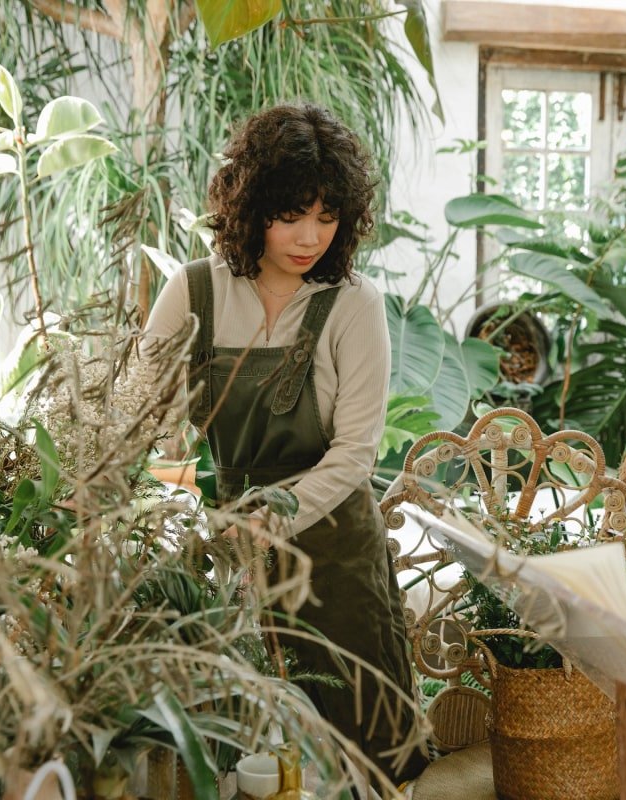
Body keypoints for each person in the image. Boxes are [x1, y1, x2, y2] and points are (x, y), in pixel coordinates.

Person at [143, 103, 426, 787]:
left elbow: (355, 455)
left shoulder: (354, 304)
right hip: (230, 552)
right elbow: (135, 415)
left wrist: (269, 520)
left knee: (372, 752)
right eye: (292, 215)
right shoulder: (195, 291)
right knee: (246, 752)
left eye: (327, 218)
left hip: (336, 555)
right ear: (251, 207)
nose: (309, 238)